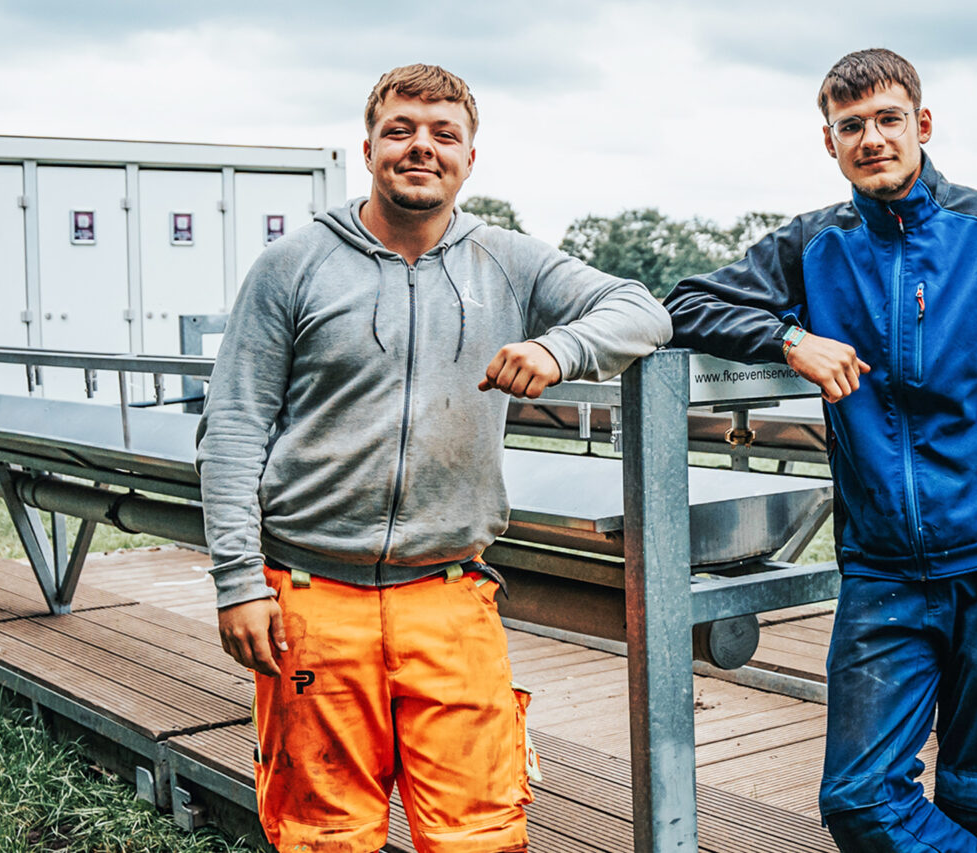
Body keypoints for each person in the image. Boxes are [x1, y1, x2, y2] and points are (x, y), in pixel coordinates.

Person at [666, 48, 977, 853]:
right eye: (851, 126)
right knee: (859, 799)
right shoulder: (814, 245)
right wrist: (789, 338)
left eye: (888, 120)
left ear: (921, 125)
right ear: (830, 143)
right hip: (883, 571)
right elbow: (686, 304)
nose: (871, 138)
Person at [200, 63, 672, 853]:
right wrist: (237, 581)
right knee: (324, 835)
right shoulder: (293, 267)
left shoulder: (507, 261)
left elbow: (642, 309)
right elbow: (233, 430)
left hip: (449, 598)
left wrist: (561, 348)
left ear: (469, 158)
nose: (422, 147)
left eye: (443, 134)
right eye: (402, 130)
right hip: (309, 600)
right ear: (370, 147)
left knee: (480, 834)